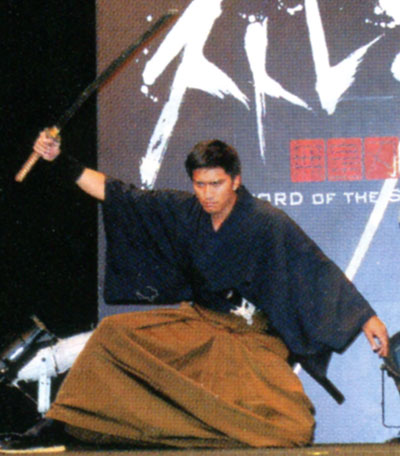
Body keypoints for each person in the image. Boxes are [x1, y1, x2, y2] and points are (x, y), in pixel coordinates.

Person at [1, 130, 388, 451]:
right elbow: (117, 194)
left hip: (252, 339)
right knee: (112, 333)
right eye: (200, 184)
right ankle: (61, 422)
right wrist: (60, 160)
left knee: (292, 427)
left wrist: (365, 316)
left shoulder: (266, 221)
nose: (207, 194)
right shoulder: (186, 212)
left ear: (235, 180)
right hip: (199, 323)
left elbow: (314, 266)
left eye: (216, 184)